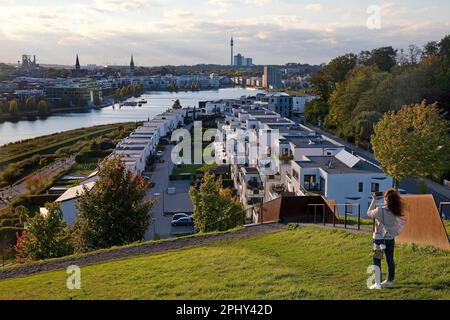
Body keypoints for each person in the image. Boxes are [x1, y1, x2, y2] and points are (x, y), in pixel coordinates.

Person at [367, 188, 404, 290]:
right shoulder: (395, 210)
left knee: (376, 260)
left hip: (379, 239)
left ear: (386, 199)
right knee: (390, 259)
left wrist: (374, 200)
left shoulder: (380, 210)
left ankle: (377, 283)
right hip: (390, 238)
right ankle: (390, 280)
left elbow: (369, 213)